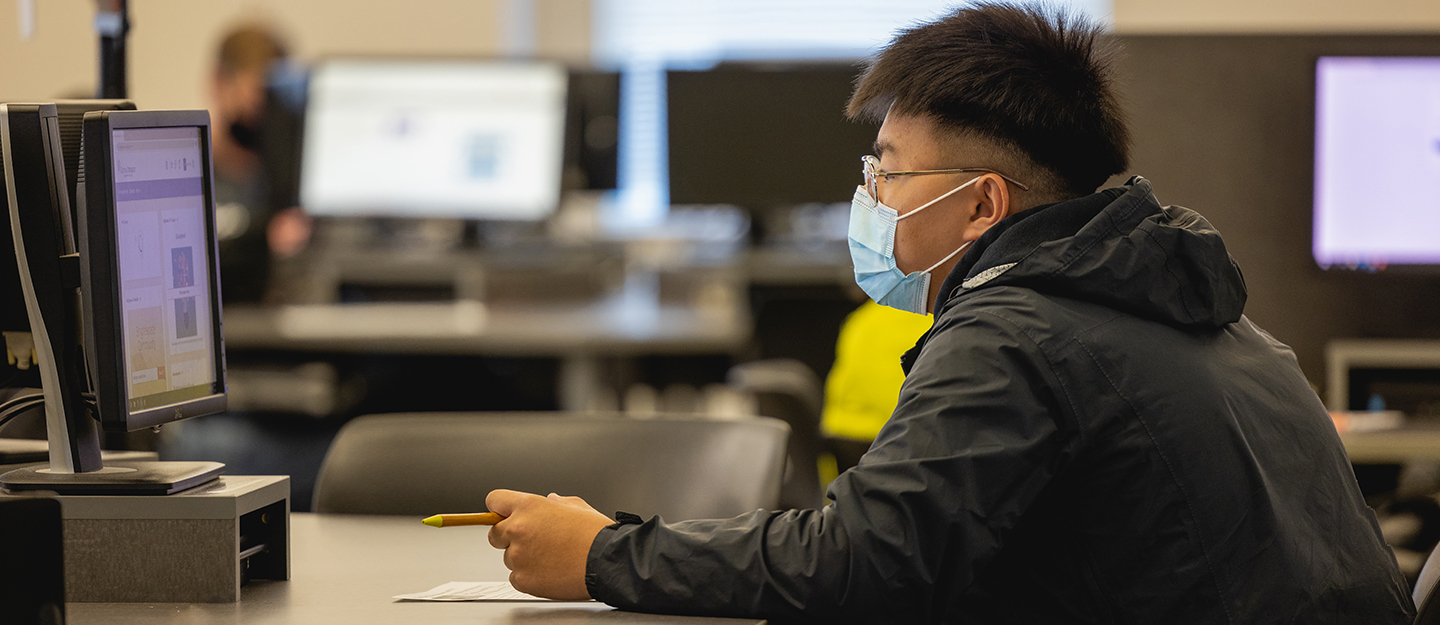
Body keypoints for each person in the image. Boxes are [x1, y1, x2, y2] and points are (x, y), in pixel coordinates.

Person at [484, 4, 1415, 622]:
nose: (871, 194)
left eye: (888, 169)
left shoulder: (1022, 331)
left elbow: (859, 561)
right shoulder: (1185, 301)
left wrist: (605, 552)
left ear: (980, 204)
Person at [208, 23, 310, 303]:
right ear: (218, 81)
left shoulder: (293, 184)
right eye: (254, 106)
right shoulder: (184, 177)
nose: (264, 121)